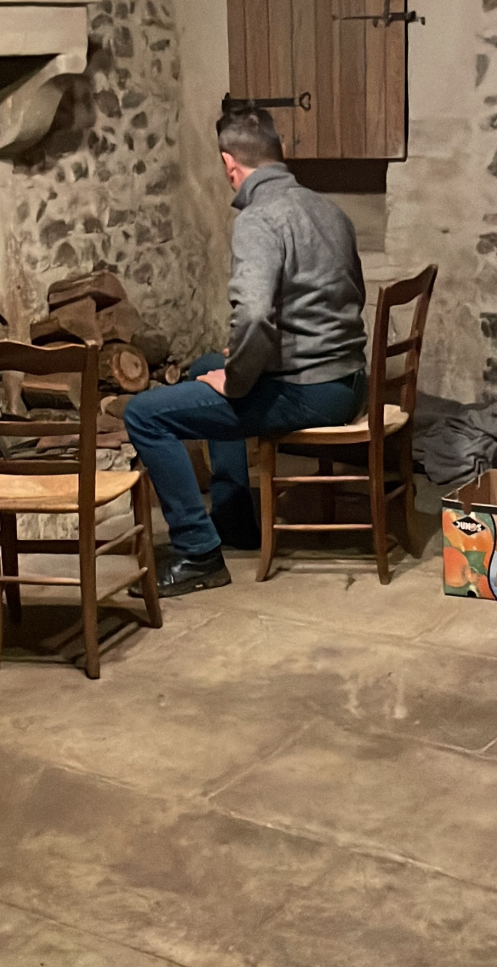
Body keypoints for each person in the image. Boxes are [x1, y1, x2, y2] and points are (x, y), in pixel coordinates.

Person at [124, 102, 368, 597]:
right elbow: (349, 297)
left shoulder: (259, 220)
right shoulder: (330, 210)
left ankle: (198, 553)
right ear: (280, 153)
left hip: (310, 391)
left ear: (228, 163)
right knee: (206, 364)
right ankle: (234, 518)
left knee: (144, 414)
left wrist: (237, 381)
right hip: (347, 380)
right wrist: (236, 364)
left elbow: (255, 316)